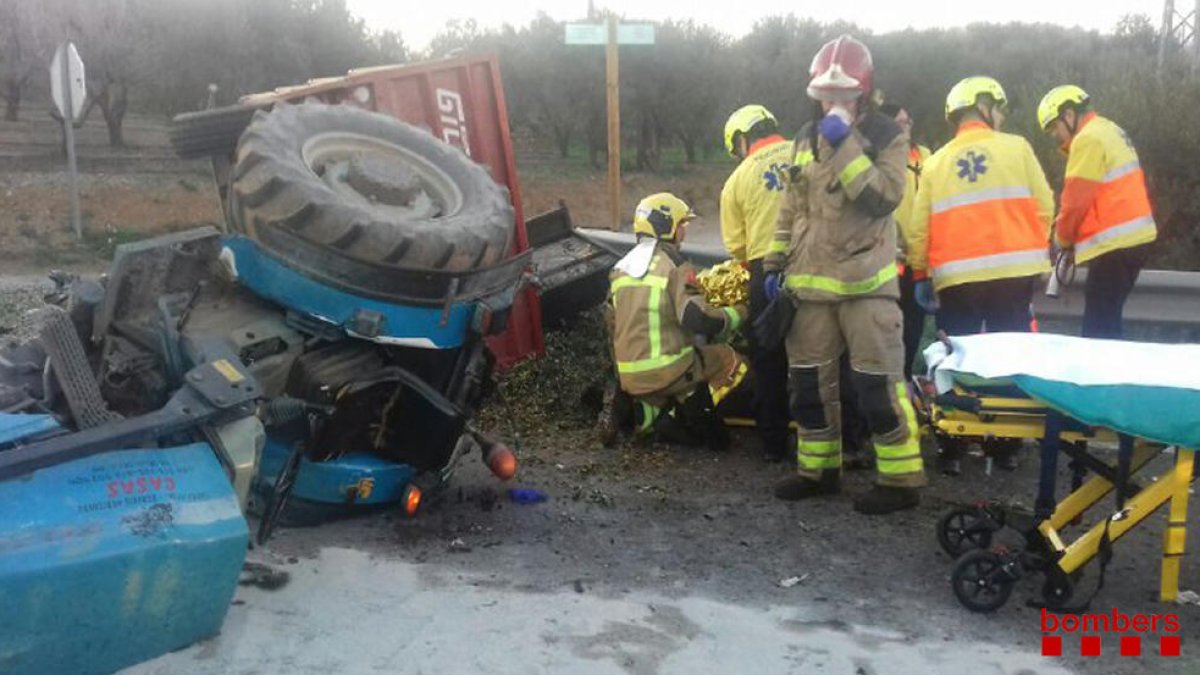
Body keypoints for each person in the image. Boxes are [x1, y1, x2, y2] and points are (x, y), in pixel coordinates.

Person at [764, 34, 925, 514]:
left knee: (877, 387)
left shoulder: (886, 135)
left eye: (843, 94)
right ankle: (819, 471)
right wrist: (774, 263)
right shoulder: (802, 137)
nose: (833, 102)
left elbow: (882, 197)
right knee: (810, 387)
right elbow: (792, 205)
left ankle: (900, 482)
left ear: (863, 91)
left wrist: (847, 146)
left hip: (866, 286)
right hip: (809, 285)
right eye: (826, 94)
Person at [907, 76, 1055, 474]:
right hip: (1014, 274)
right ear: (986, 105)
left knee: (957, 360)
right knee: (1011, 357)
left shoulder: (936, 162)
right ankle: (1006, 447)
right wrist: (1038, 256)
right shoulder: (1017, 148)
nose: (1002, 116)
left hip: (958, 279)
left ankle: (954, 445)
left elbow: (919, 227)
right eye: (999, 108)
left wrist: (921, 273)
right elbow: (1045, 206)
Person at [602, 192, 748, 449]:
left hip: (627, 374)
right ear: (665, 226)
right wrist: (740, 312)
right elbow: (697, 318)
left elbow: (610, 322)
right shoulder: (674, 264)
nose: (685, 232)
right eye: (681, 225)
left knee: (665, 372)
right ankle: (683, 412)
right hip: (670, 369)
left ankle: (647, 414)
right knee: (731, 359)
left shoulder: (619, 268)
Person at [1037, 85, 1157, 339]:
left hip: (1115, 245)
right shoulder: (1110, 129)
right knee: (1107, 318)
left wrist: (1062, 240)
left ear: (1068, 115)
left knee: (1099, 327)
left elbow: (1075, 201)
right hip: (1134, 240)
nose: (1056, 136)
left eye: (1054, 128)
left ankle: (1105, 376)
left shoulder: (1088, 139)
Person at [720, 104, 798, 462]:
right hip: (817, 262)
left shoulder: (738, 179)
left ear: (741, 138)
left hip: (766, 273)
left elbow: (736, 244)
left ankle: (773, 444)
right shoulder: (806, 153)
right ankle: (843, 441)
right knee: (825, 353)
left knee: (769, 359)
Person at [879, 102, 932, 379]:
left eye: (908, 121)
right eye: (899, 123)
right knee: (886, 334)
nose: (906, 127)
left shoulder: (925, 156)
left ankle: (905, 381)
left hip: (920, 262)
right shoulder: (877, 160)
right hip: (889, 264)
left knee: (913, 330)